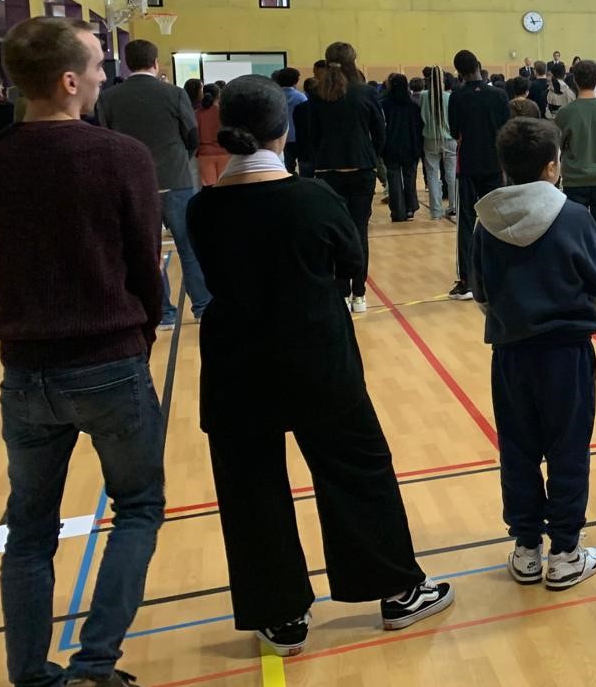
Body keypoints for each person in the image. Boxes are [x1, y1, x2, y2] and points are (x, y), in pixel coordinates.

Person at [189, 76, 453, 654]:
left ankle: (278, 613)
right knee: (357, 469)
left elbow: (210, 277)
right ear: (283, 128)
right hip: (317, 355)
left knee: (250, 487)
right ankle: (395, 590)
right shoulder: (312, 200)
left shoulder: (204, 209)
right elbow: (352, 263)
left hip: (236, 363)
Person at [0, 17, 165, 687]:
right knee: (139, 506)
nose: (101, 76)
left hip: (25, 370)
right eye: (94, 66)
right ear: (66, 80)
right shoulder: (119, 156)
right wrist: (140, 332)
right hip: (108, 361)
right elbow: (145, 269)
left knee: (29, 528)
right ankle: (93, 664)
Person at [471, 117, 596, 591]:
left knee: (518, 448)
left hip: (510, 353)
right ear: (553, 166)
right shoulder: (574, 217)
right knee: (568, 448)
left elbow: (481, 291)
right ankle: (566, 551)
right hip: (566, 353)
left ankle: (527, 547)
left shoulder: (483, 221)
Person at [97, 38, 212, 326]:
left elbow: (105, 137)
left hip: (131, 183)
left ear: (126, 62)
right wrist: (182, 158)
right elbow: (192, 134)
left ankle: (163, 313)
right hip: (175, 179)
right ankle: (202, 307)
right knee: (189, 247)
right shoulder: (173, 94)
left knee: (146, 252)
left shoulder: (108, 97)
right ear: (156, 62)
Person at [295, 43, 384, 312]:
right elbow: (379, 132)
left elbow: (310, 138)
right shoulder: (366, 93)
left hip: (327, 172)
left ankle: (341, 291)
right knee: (359, 232)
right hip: (361, 170)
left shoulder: (317, 96)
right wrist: (369, 154)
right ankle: (359, 294)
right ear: (353, 61)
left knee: (332, 232)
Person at [448, 49, 513, 301]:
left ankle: (467, 280)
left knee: (465, 221)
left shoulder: (457, 97)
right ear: (478, 65)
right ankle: (502, 273)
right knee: (498, 220)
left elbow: (454, 131)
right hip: (495, 165)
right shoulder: (498, 95)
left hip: (468, 166)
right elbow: (506, 129)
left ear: (459, 72)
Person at [555, 59, 596, 289]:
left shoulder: (565, 113)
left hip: (574, 177)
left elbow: (561, 143)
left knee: (574, 225)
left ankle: (576, 271)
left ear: (574, 80)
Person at [379, 72, 423, 223]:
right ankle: (410, 207)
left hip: (390, 147)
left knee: (394, 180)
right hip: (410, 147)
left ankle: (398, 211)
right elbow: (418, 129)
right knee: (410, 178)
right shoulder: (413, 106)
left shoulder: (384, 105)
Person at [419, 65, 457, 221]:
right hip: (449, 139)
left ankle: (435, 211)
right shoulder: (449, 97)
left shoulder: (423, 96)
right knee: (451, 174)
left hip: (430, 139)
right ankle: (453, 206)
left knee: (432, 175)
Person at [271, 68, 309, 176]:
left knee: (286, 166)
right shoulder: (301, 97)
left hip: (282, 137)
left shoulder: (275, 96)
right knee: (302, 164)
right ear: (296, 81)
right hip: (298, 136)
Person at [195, 84, 227, 186]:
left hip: (205, 154)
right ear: (219, 95)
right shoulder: (224, 112)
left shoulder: (197, 113)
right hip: (224, 152)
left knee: (209, 187)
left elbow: (195, 135)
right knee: (225, 186)